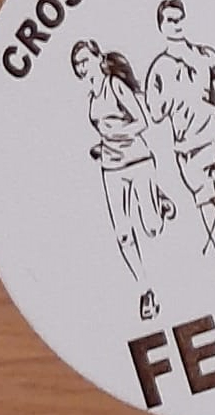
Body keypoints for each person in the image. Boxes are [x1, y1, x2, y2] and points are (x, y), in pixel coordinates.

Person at [71, 39, 176, 321]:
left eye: (85, 60)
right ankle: (146, 291)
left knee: (152, 227)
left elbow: (142, 121)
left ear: (98, 57)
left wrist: (114, 137)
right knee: (123, 233)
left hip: (138, 159)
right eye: (77, 64)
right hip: (111, 167)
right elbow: (106, 131)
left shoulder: (115, 86)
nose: (82, 67)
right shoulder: (91, 98)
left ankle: (159, 200)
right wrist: (103, 147)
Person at [145, 0, 215, 291]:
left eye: (179, 18)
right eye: (170, 20)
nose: (176, 24)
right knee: (205, 204)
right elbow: (155, 112)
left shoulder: (204, 55)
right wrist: (168, 97)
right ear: (161, 26)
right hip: (188, 149)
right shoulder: (159, 69)